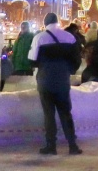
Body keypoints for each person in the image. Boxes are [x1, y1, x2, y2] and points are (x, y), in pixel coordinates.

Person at [29, 12, 82, 155]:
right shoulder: (70, 37)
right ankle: (72, 145)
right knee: (66, 113)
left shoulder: (39, 37)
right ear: (57, 22)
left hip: (45, 80)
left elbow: (32, 60)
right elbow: (77, 59)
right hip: (62, 80)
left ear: (45, 23)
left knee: (49, 114)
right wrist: (68, 70)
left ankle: (51, 145)